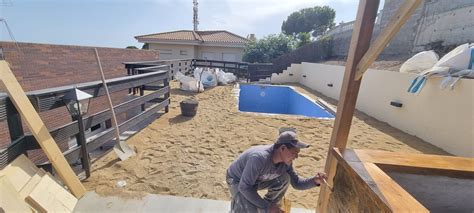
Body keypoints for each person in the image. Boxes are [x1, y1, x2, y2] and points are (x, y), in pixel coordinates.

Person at [226, 131, 327, 213]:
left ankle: (269, 207)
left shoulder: (286, 163)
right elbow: (244, 187)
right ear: (282, 148)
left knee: (285, 178)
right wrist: (266, 207)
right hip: (237, 180)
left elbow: (297, 183)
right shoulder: (259, 158)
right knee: (247, 208)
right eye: (294, 153)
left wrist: (315, 180)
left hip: (256, 180)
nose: (296, 156)